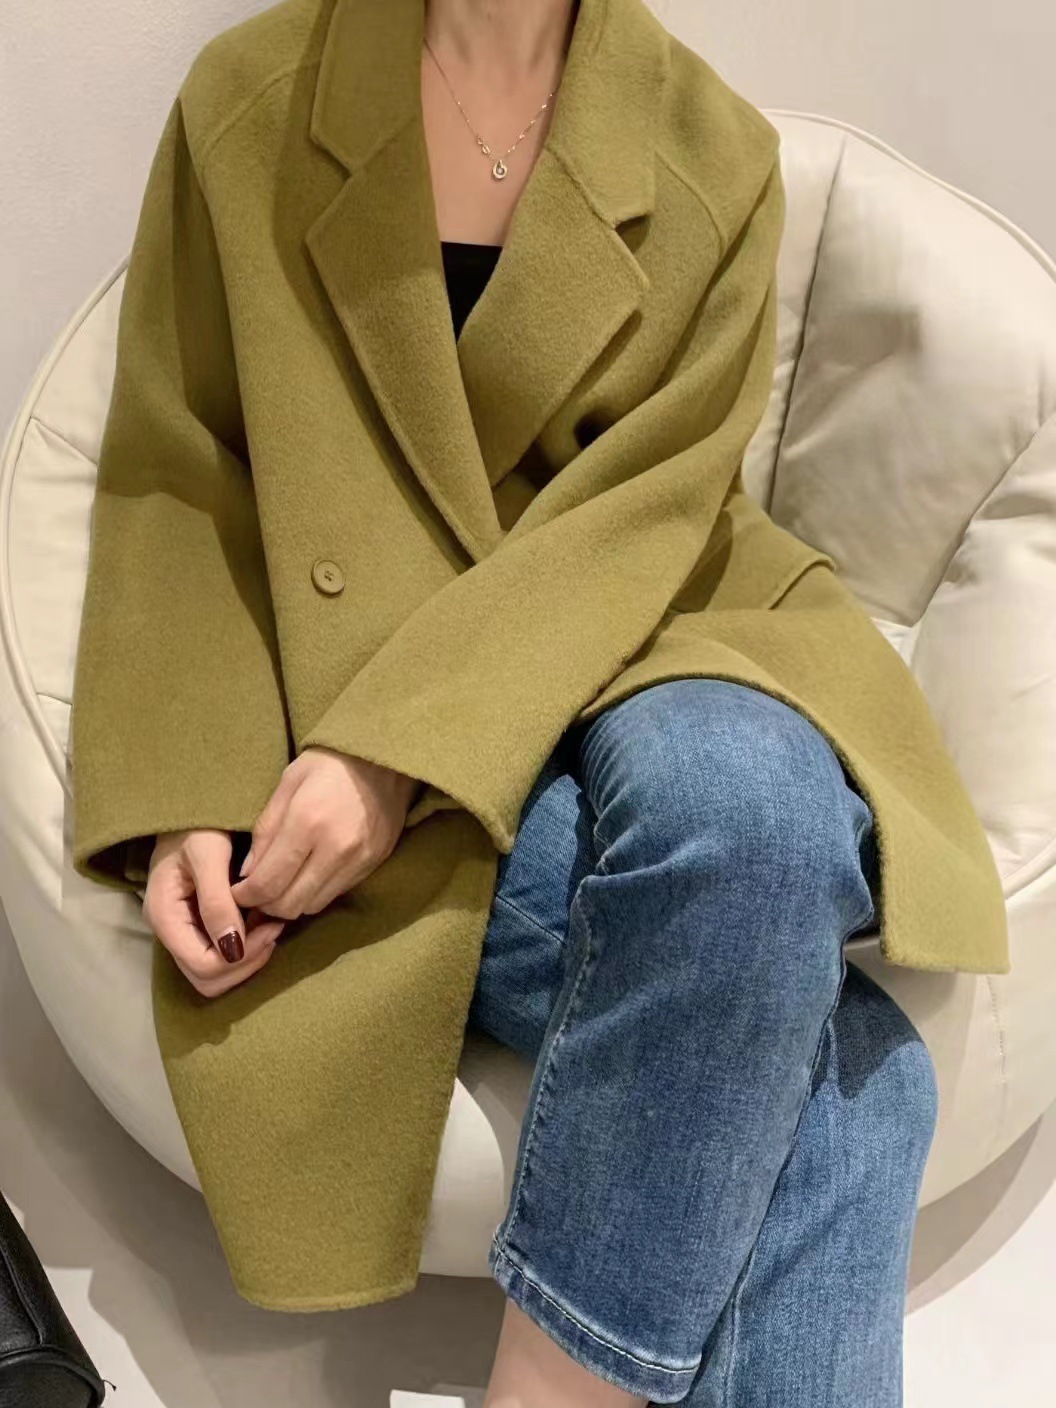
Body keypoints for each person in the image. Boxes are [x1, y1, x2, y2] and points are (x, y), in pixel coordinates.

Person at [80, 2, 949, 1404]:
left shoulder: (710, 149)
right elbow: (181, 465)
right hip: (363, 653)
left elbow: (651, 504)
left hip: (641, 615)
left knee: (762, 815)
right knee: (860, 1078)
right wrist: (194, 780)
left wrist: (398, 756)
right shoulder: (254, 102)